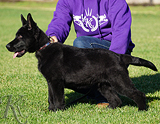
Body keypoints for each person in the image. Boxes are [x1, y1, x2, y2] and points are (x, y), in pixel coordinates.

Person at [46, 0, 135, 107]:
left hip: (114, 52)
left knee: (81, 43)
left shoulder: (116, 1)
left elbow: (121, 34)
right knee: (65, 73)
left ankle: (105, 95)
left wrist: (113, 66)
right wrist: (53, 36)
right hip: (89, 53)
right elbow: (59, 21)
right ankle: (96, 89)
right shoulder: (67, 1)